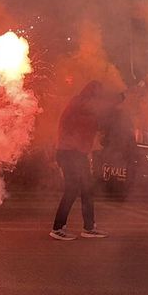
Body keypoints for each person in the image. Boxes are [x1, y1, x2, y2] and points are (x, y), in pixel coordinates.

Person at [49, 80, 115, 241]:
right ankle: (58, 228)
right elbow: (101, 109)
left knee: (86, 189)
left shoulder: (86, 107)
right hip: (70, 153)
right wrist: (121, 97)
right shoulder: (81, 103)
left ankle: (89, 227)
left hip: (76, 153)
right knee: (73, 188)